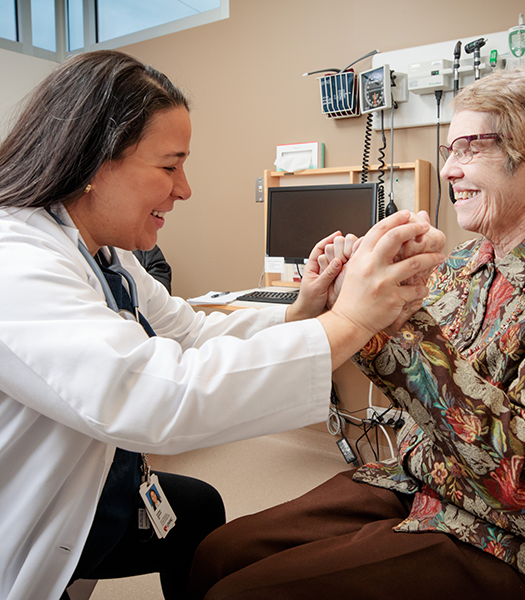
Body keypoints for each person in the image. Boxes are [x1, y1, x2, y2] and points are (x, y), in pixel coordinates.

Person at [0, 50, 444, 600]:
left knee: (197, 510)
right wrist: (352, 320)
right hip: (22, 518)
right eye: (169, 166)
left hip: (89, 481)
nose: (184, 189)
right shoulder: (15, 262)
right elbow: (150, 395)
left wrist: (307, 309)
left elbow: (187, 333)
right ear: (94, 161)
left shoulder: (107, 256)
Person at [188, 68, 525, 600]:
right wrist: (351, 297)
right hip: (415, 481)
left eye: (469, 148)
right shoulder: (464, 263)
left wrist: (395, 318)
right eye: (449, 148)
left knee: (239, 595)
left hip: (520, 535)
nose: (449, 169)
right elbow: (419, 387)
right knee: (216, 554)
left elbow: (521, 474)